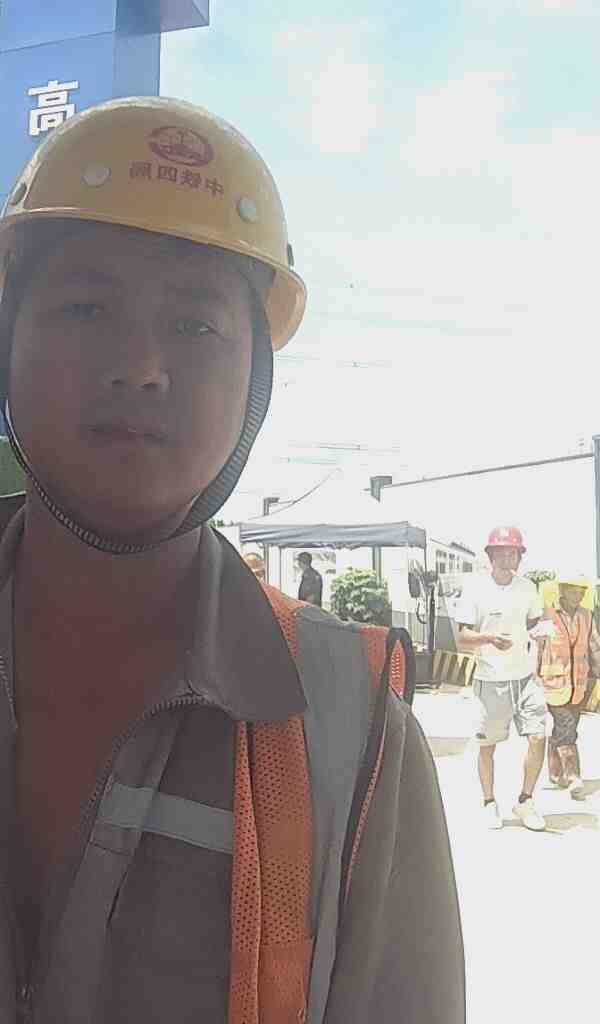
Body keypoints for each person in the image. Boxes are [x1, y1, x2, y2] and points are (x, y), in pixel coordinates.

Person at [0, 98, 464, 1022]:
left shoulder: (355, 731)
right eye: (86, 306)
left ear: (258, 377)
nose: (140, 366)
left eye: (196, 325)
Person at [455, 526, 547, 831]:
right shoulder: (475, 589)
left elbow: (534, 624)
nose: (509, 558)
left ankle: (525, 801)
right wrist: (489, 639)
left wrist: (541, 633)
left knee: (538, 737)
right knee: (488, 746)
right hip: (491, 679)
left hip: (525, 678)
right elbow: (462, 637)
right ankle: (489, 802)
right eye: (503, 552)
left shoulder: (528, 588)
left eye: (514, 553)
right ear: (490, 555)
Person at [537, 574, 600, 799]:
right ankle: (573, 776)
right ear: (562, 590)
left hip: (579, 687)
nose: (578, 595)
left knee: (564, 728)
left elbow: (595, 647)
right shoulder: (547, 615)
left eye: (582, 591)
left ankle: (556, 773)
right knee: (566, 727)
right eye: (574, 590)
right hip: (553, 684)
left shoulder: (586, 616)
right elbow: (537, 648)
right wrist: (532, 680)